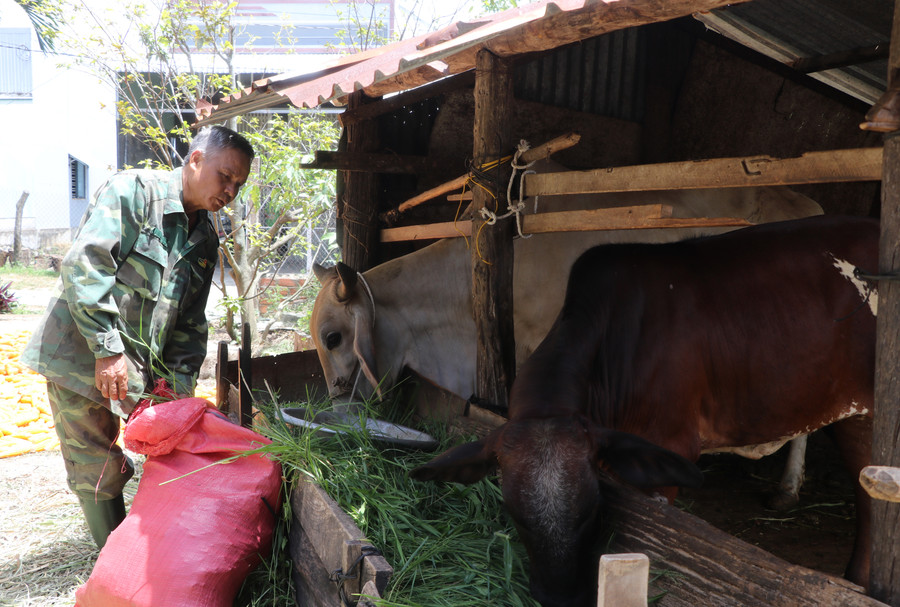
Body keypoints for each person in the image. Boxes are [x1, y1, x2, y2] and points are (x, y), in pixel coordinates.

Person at [22, 125, 254, 548]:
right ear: (196, 159)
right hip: (80, 355)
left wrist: (178, 394)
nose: (231, 192)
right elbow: (86, 266)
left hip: (139, 371)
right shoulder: (133, 193)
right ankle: (115, 564)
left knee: (167, 453)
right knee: (97, 465)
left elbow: (189, 326)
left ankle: (157, 548)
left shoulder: (204, 239)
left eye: (239, 184)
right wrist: (107, 349)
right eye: (226, 176)